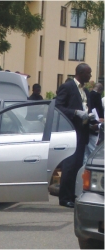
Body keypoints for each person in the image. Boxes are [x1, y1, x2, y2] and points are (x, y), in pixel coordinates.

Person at [55, 63, 92, 208]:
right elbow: (58, 107)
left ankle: (72, 195)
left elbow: (86, 109)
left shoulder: (86, 91)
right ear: (81, 73)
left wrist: (91, 120)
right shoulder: (68, 86)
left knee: (77, 166)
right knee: (69, 166)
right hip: (71, 131)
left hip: (82, 132)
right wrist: (75, 112)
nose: (90, 76)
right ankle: (64, 198)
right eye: (88, 73)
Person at [84, 83, 104, 161]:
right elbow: (99, 110)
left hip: (88, 124)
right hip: (95, 124)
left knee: (86, 152)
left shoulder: (89, 95)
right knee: (94, 149)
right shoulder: (97, 96)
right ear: (100, 90)